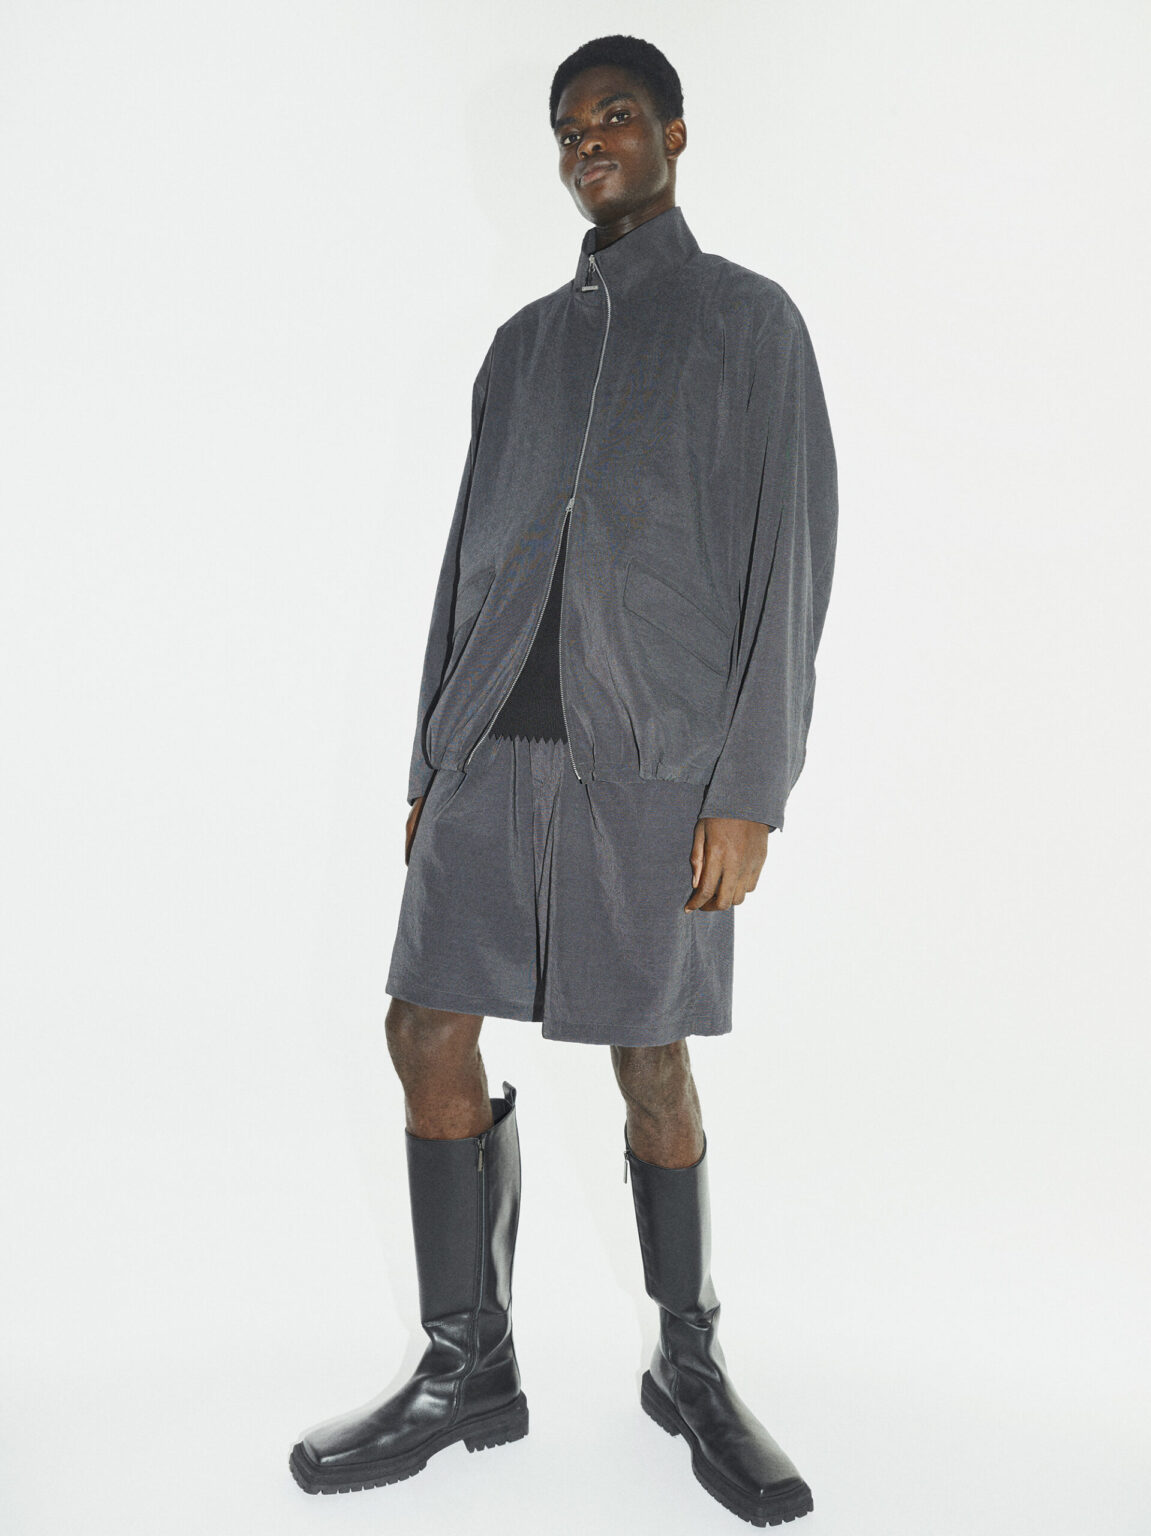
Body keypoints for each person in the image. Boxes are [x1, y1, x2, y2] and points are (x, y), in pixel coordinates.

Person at [289, 32, 837, 1529]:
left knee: (650, 1054)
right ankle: (466, 1365)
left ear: (674, 131)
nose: (587, 141)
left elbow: (792, 561)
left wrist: (751, 784)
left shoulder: (750, 326)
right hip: (490, 754)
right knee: (422, 1023)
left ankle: (689, 1358)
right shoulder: (520, 349)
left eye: (614, 116)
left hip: (653, 764)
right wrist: (431, 754)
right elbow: (461, 563)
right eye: (567, 127)